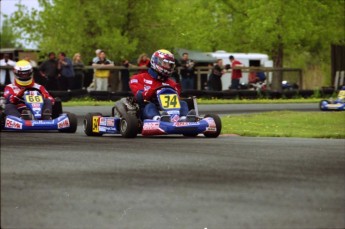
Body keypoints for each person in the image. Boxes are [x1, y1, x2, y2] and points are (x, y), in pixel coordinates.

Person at [129, 49, 191, 121]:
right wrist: (153, 91)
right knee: (150, 106)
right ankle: (157, 119)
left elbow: (177, 98)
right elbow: (139, 95)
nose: (168, 67)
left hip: (169, 111)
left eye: (170, 65)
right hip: (146, 111)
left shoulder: (172, 83)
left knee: (183, 103)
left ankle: (184, 119)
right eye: (165, 63)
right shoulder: (139, 78)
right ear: (156, 62)